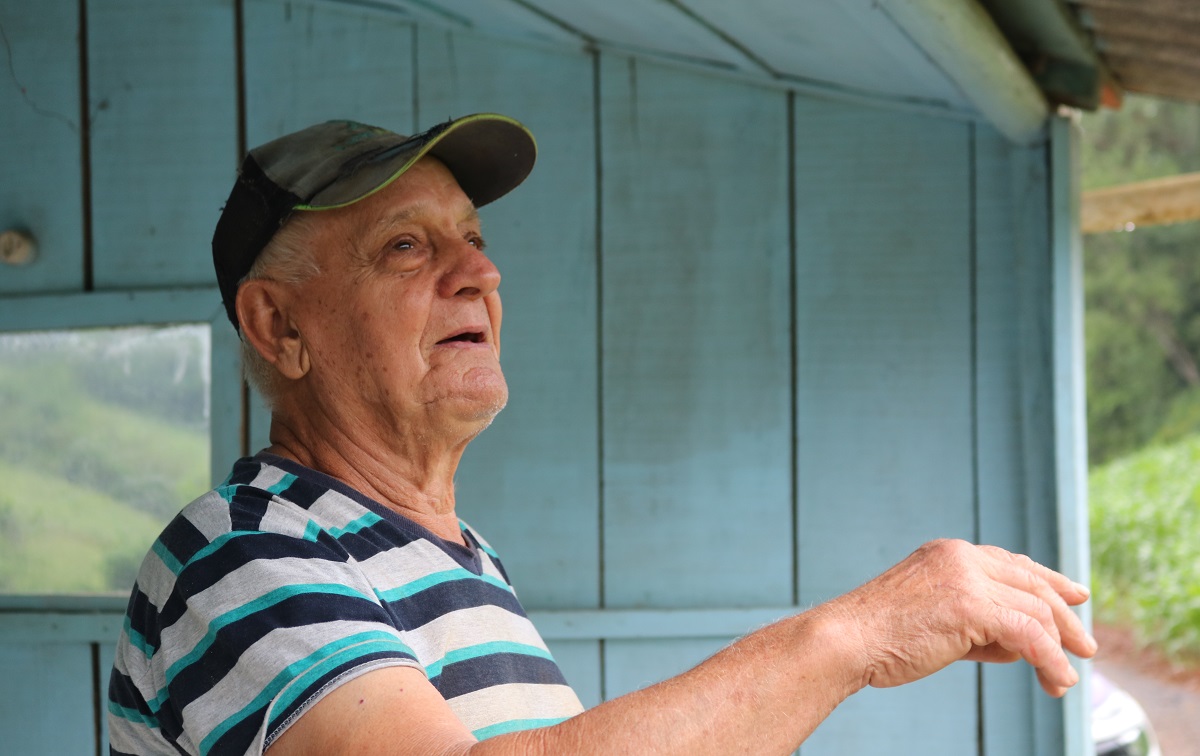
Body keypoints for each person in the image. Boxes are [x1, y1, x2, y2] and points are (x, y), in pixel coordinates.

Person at [108, 113, 1097, 756]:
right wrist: (855, 634)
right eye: (407, 245)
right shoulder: (242, 551)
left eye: (476, 241)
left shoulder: (462, 564)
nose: (478, 275)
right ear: (280, 326)